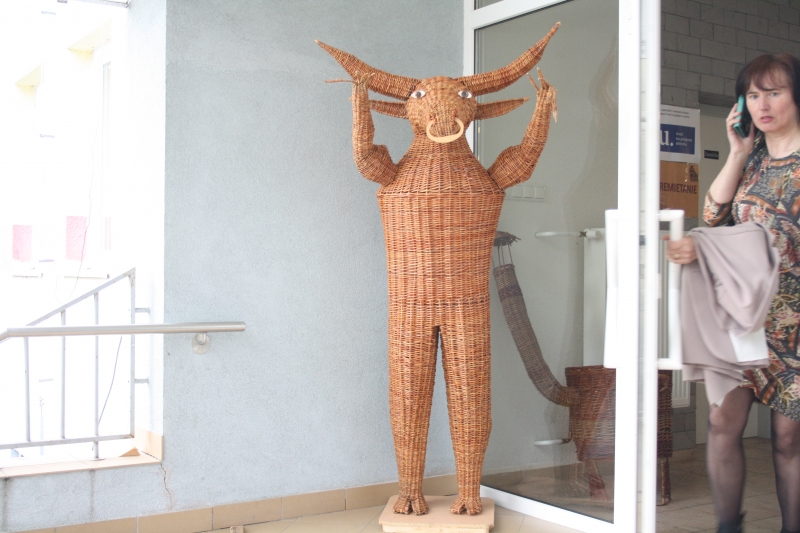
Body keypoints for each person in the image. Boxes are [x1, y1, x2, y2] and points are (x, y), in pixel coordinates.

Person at [668, 54, 800, 533]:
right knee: (723, 423)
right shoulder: (754, 158)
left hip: (794, 323)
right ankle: (729, 527)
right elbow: (713, 216)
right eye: (753, 95)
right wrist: (739, 153)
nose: (762, 104)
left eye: (774, 93)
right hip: (744, 317)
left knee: (788, 438)